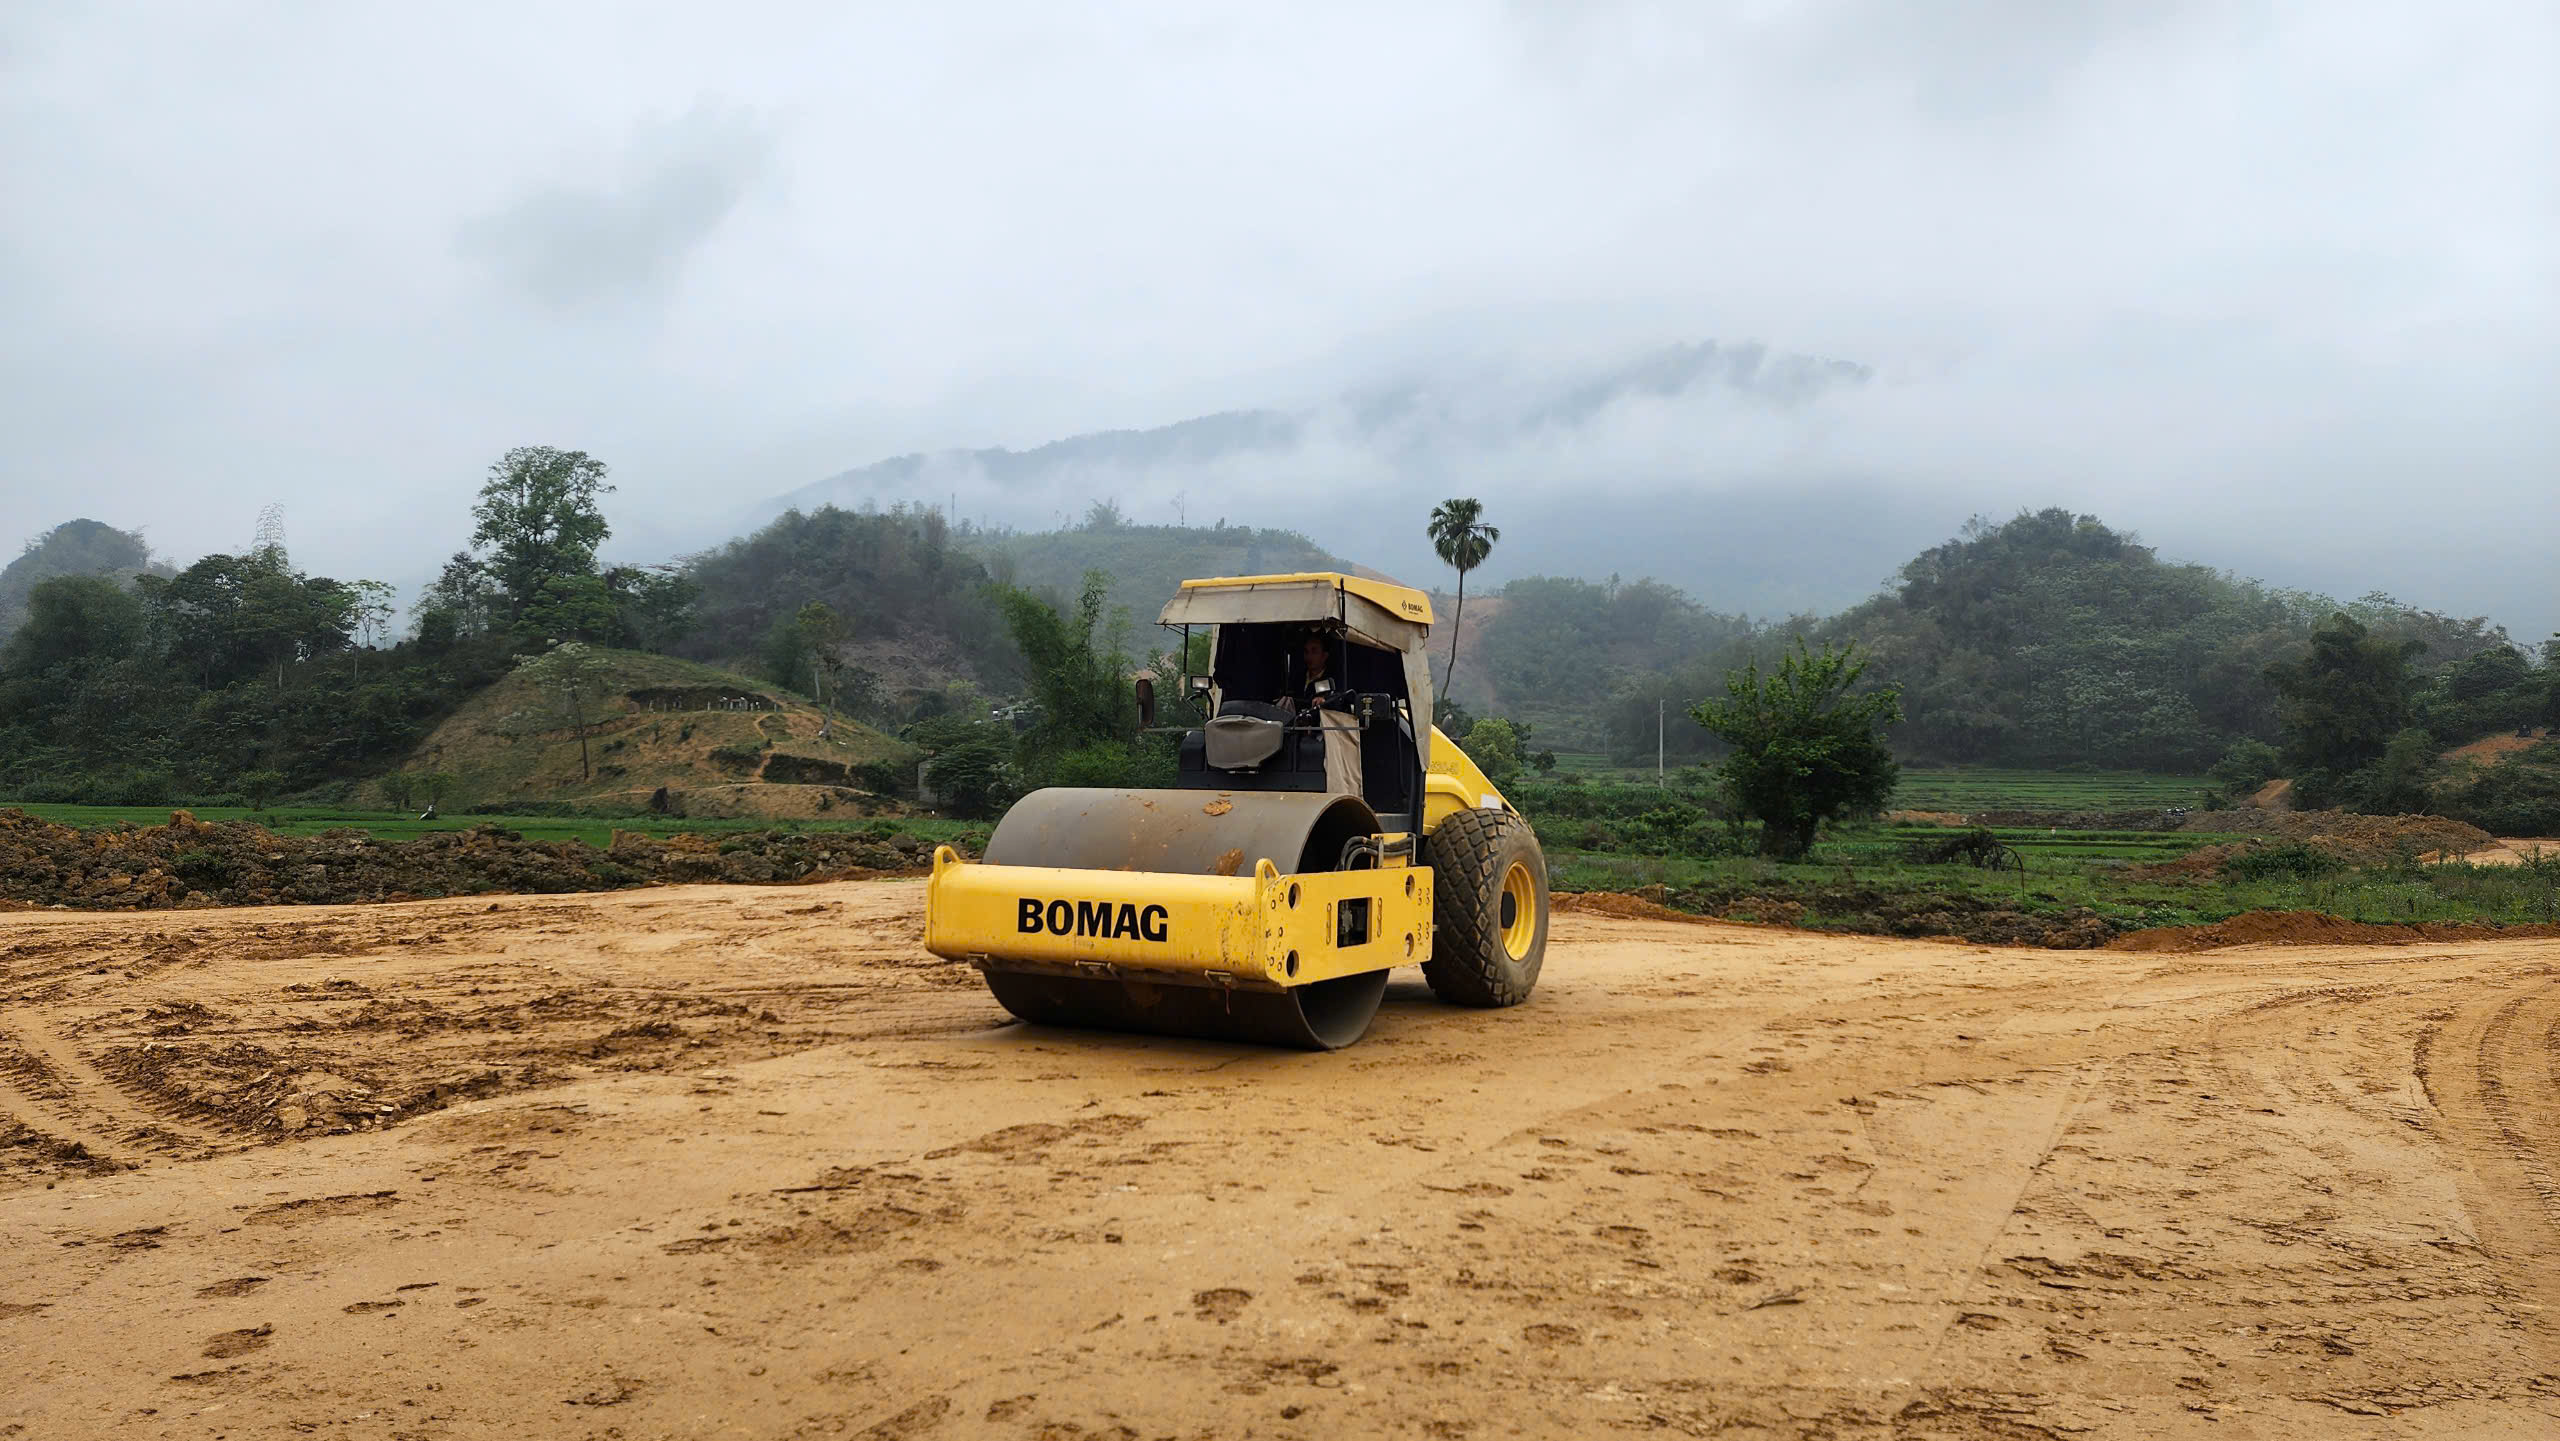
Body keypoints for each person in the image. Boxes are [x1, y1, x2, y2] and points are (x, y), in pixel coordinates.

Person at [1285, 632, 1363, 796]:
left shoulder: (1335, 680)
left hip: (1322, 735)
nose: (1309, 656)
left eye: (1314, 651)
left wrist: (1324, 700)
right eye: (1306, 652)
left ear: (1325, 655)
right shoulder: (1296, 679)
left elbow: (1340, 702)